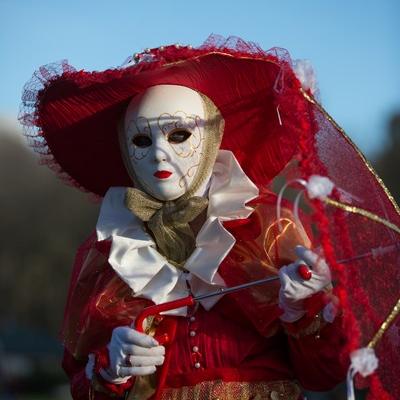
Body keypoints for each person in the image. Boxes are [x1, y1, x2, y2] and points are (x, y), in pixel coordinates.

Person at [21, 36, 349, 399]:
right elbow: (82, 386)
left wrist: (306, 309)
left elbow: (324, 373)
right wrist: (111, 370)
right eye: (142, 141)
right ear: (123, 148)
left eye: (179, 135)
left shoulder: (269, 228)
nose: (161, 154)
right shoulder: (112, 253)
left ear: (213, 137)